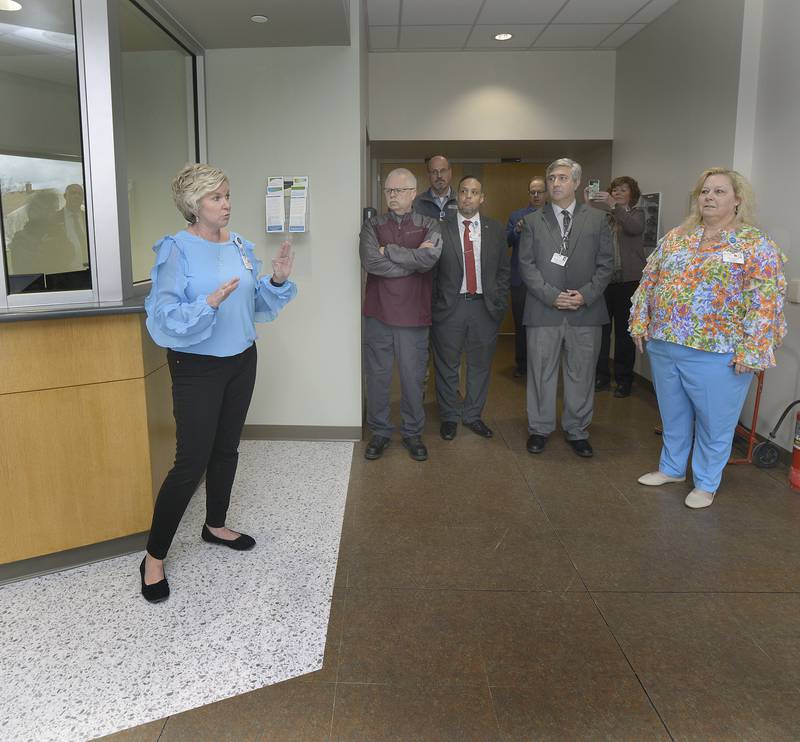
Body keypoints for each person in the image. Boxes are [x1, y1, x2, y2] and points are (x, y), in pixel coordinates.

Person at [140, 163, 297, 602]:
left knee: (227, 448)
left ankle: (215, 525)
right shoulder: (176, 250)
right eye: (216, 198)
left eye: (227, 195)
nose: (226, 204)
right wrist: (206, 304)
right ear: (194, 205)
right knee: (190, 462)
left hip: (241, 360)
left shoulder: (241, 245)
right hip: (197, 367)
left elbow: (257, 304)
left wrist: (277, 280)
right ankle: (154, 558)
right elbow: (164, 317)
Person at [630, 167, 787, 509]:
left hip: (718, 351)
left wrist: (753, 349)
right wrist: (640, 322)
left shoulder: (754, 243)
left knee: (715, 422)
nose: (710, 198)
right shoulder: (677, 237)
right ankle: (671, 469)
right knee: (673, 415)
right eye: (704, 192)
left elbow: (765, 299)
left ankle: (705, 483)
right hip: (666, 343)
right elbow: (649, 281)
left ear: (737, 200)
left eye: (719, 192)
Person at [518, 158, 613, 458]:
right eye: (551, 179)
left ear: (576, 183)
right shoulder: (533, 221)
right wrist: (550, 296)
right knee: (540, 373)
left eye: (562, 178)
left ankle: (577, 430)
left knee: (581, 373)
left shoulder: (598, 220)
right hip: (543, 310)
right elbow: (526, 265)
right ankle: (540, 429)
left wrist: (584, 295)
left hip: (586, 311)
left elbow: (606, 265)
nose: (555, 183)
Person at [360, 168, 442, 462]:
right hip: (378, 315)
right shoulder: (373, 225)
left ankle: (412, 433)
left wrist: (390, 251)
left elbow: (430, 259)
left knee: (412, 377)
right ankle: (380, 432)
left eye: (398, 191)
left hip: (414, 317)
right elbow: (371, 262)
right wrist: (412, 261)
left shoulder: (429, 224)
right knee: (378, 377)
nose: (392, 196)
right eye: (388, 191)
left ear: (412, 193)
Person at [432, 176, 510, 440]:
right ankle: (449, 417)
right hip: (449, 308)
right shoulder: (439, 228)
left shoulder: (496, 229)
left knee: (480, 366)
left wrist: (498, 303)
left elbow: (503, 270)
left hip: (484, 308)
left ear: (482, 198)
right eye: (464, 191)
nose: (468, 196)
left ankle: (473, 415)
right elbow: (430, 272)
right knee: (447, 366)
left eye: (474, 192)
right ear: (457, 196)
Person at [587, 176, 646, 397]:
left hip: (628, 283)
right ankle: (601, 376)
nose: (619, 193)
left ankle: (624, 380)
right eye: (615, 190)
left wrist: (615, 206)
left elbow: (634, 228)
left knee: (624, 334)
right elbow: (587, 231)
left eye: (623, 190)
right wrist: (590, 204)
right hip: (604, 282)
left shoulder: (636, 213)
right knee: (602, 332)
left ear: (632, 194)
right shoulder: (606, 217)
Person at [506, 176, 547, 377]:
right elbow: (506, 240)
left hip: (547, 281)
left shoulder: (554, 216)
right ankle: (522, 365)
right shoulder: (517, 216)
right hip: (520, 280)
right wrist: (516, 230)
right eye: (533, 192)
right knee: (522, 324)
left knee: (544, 325)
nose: (536, 195)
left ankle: (543, 365)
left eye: (540, 191)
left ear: (546, 193)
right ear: (529, 193)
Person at [412, 155, 457, 222]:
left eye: (443, 171)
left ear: (450, 172)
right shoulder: (416, 203)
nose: (439, 176)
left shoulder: (462, 201)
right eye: (434, 172)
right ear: (428, 175)